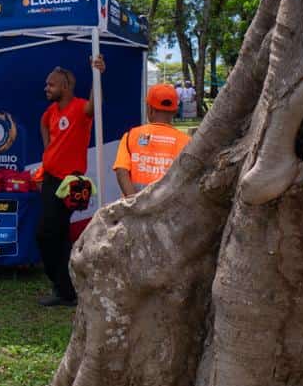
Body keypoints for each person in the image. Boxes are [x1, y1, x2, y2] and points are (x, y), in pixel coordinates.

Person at [36, 55, 105, 308]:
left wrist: (97, 75)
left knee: (47, 234)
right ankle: (65, 289)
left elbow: (94, 105)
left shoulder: (79, 108)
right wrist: (48, 153)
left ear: (64, 86)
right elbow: (43, 125)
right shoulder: (50, 111)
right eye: (46, 84)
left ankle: (64, 289)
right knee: (58, 235)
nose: (47, 88)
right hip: (50, 179)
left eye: (51, 85)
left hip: (69, 184)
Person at [114, 84, 191, 197]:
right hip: (170, 210)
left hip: (134, 209)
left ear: (149, 109)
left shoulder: (131, 136)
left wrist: (134, 203)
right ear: (175, 111)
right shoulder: (187, 141)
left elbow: (121, 171)